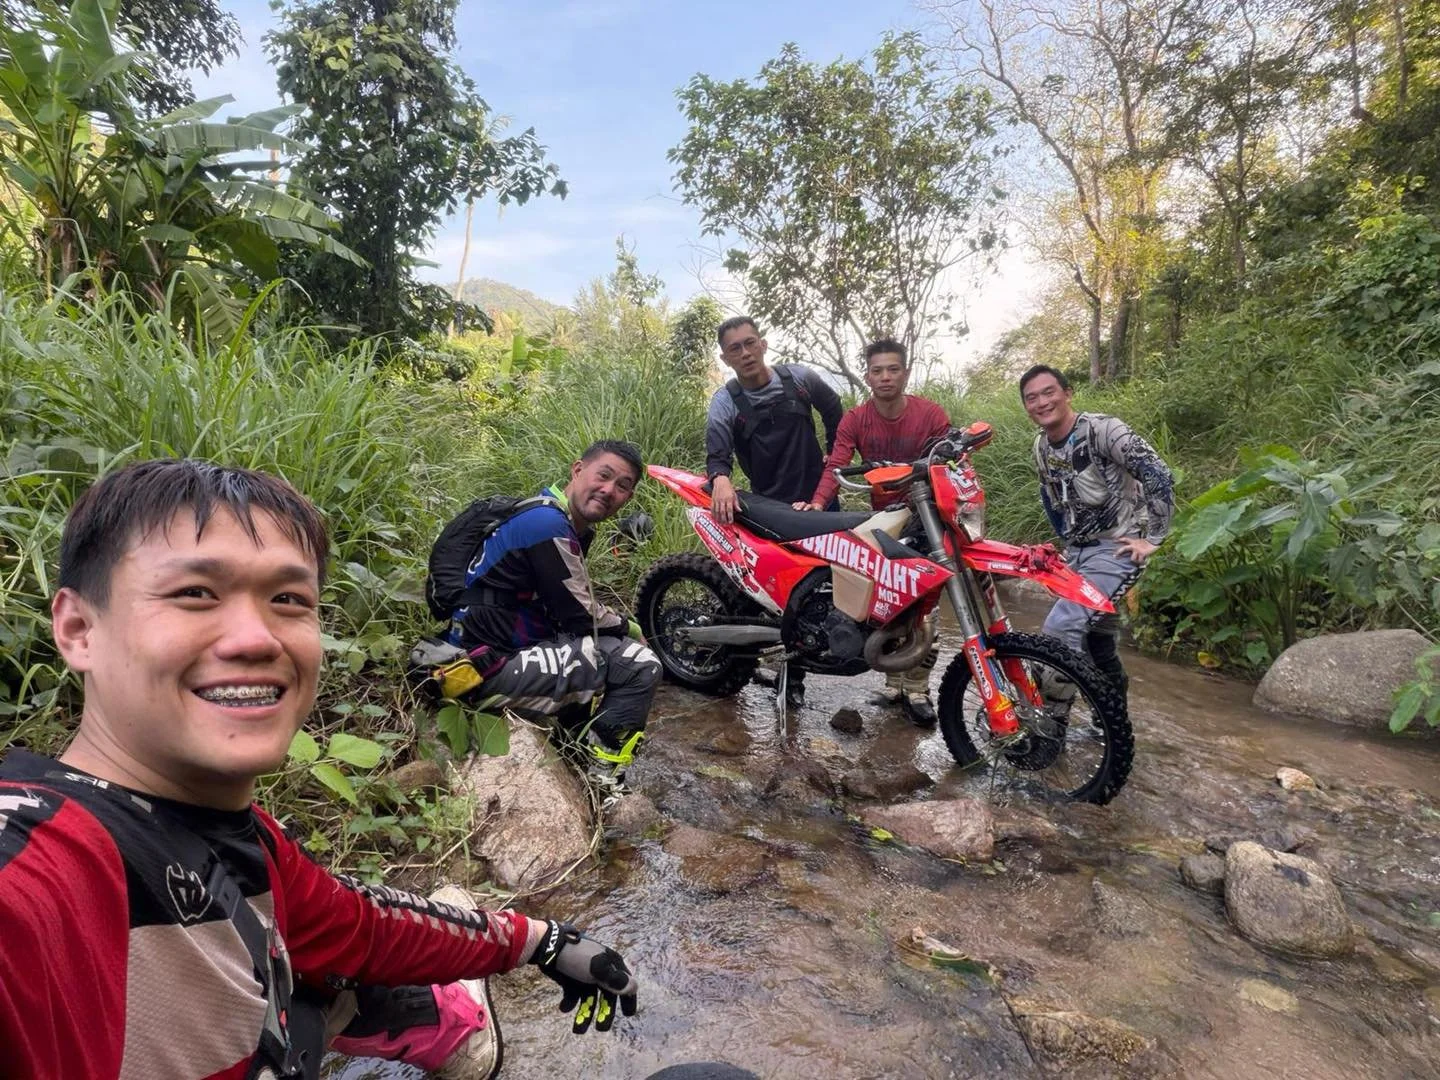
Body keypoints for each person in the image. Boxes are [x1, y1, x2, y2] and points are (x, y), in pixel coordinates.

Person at [0, 459, 639, 1080]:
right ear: (79, 627)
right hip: (481, 668)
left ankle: (423, 1019)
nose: (256, 639)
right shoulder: (38, 869)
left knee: (314, 955)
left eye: (287, 598)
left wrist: (541, 940)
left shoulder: (242, 842)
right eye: (195, 593)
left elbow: (358, 926)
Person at [442, 440, 661, 769]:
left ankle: (572, 752)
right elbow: (580, 614)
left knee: (595, 649)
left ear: (628, 498)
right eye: (603, 475)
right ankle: (604, 776)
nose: (608, 490)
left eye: (622, 486)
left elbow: (564, 611)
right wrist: (630, 627)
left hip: (484, 651)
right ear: (577, 470)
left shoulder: (551, 517)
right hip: (484, 668)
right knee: (640, 665)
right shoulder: (547, 524)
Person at [796, 338, 951, 726]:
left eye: (892, 369)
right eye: (877, 370)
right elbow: (838, 462)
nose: (885, 377)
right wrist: (817, 503)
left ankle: (918, 689)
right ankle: (893, 682)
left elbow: (950, 461)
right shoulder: (856, 419)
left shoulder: (930, 415)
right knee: (889, 602)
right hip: (885, 520)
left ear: (905, 372)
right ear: (867, 376)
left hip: (929, 521)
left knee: (926, 606)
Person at [705, 316, 844, 706]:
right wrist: (720, 478)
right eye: (735, 348)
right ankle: (791, 676)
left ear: (764, 344)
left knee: (832, 583)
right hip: (771, 508)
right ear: (725, 357)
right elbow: (717, 451)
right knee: (784, 592)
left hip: (820, 499)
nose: (745, 353)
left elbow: (836, 414)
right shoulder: (726, 401)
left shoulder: (799, 379)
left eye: (750, 343)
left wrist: (835, 459)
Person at [1019, 365, 1175, 694]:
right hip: (1078, 552)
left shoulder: (1104, 430)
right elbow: (1050, 496)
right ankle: (1112, 723)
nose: (1042, 402)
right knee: (1096, 641)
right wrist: (1064, 547)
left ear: (1067, 393)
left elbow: (1156, 470)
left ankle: (1052, 728)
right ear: (1026, 407)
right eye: (1032, 398)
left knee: (1061, 628)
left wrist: (1154, 539)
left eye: (1049, 392)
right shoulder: (1041, 446)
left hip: (1116, 549)